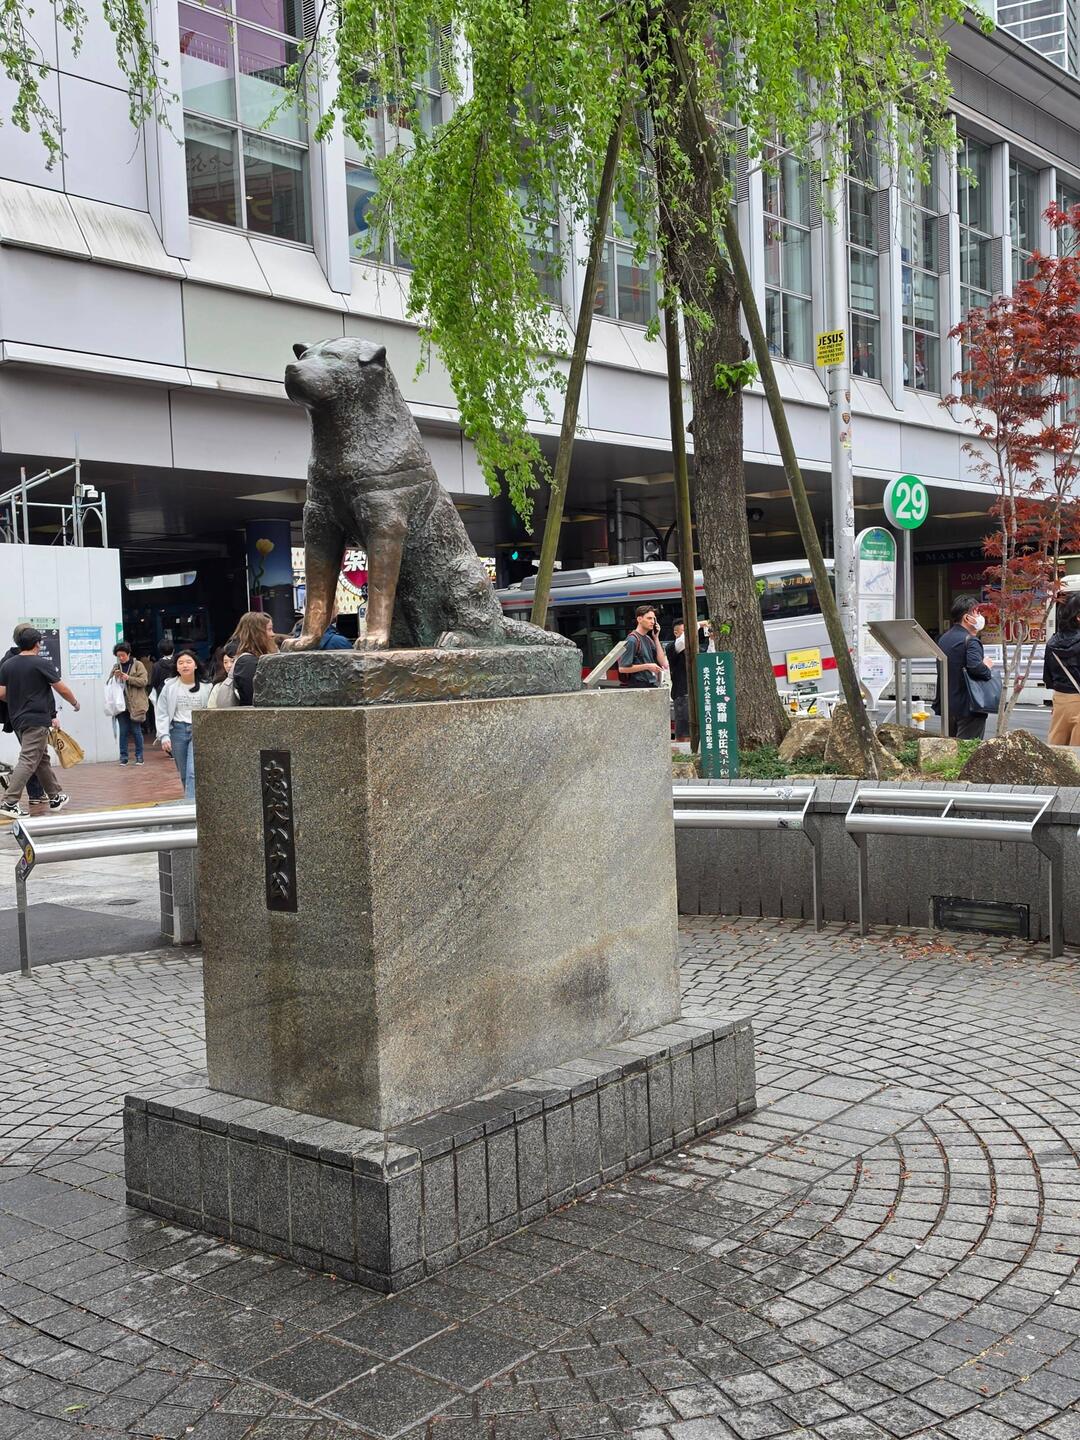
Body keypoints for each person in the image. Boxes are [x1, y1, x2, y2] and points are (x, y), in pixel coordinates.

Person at [0, 627, 80, 817]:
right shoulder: (40, 663)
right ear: (37, 644)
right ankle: (9, 803)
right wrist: (75, 703)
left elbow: (2, 694)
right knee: (28, 760)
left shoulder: (8, 665)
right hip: (36, 719)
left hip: (18, 719)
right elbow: (62, 689)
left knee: (41, 758)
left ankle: (55, 797)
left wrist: (19, 701)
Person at [933, 595, 994, 740]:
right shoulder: (971, 640)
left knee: (951, 749)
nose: (980, 617)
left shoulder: (944, 639)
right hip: (969, 705)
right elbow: (975, 668)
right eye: (977, 613)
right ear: (967, 618)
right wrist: (986, 666)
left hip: (948, 705)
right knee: (967, 750)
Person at [156, 649, 212, 800]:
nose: (185, 665)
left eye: (188, 662)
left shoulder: (207, 687)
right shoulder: (170, 687)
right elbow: (162, 712)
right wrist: (164, 736)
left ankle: (190, 807)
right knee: (183, 773)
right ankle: (192, 801)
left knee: (193, 772)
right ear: (176, 667)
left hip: (198, 730)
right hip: (177, 731)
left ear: (195, 665)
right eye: (180, 663)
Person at [0, 624, 47, 805]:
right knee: (31, 756)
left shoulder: (9, 659)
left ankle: (49, 794)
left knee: (39, 755)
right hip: (26, 716)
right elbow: (2, 692)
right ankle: (15, 799)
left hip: (20, 715)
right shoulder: (13, 660)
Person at [1044, 592, 1080, 745]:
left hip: (1060, 701)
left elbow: (1048, 679)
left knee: (1058, 753)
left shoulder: (1052, 643)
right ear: (1078, 617)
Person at [110, 641, 150, 765]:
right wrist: (114, 677)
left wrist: (128, 678)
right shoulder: (116, 666)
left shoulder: (138, 665)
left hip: (135, 703)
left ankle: (139, 756)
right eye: (118, 656)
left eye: (123, 655)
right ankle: (123, 757)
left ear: (128, 654)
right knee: (123, 731)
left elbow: (144, 681)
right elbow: (109, 683)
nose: (121, 658)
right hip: (121, 704)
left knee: (136, 730)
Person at [228, 611, 279, 706]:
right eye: (269, 629)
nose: (273, 634)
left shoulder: (261, 659)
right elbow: (252, 698)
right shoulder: (248, 663)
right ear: (256, 634)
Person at [618, 605, 668, 688]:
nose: (652, 622)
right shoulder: (632, 640)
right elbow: (622, 668)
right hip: (638, 686)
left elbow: (662, 662)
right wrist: (647, 666)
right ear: (639, 619)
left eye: (654, 619)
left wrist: (656, 638)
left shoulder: (648, 639)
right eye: (649, 618)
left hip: (650, 684)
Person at [665, 619, 692, 740]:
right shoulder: (672, 647)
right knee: (684, 732)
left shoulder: (694, 648)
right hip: (682, 693)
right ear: (676, 633)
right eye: (685, 630)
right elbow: (682, 642)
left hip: (696, 693)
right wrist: (697, 624)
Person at [207, 640, 240, 708]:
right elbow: (211, 709)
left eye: (232, 661)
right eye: (225, 662)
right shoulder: (218, 686)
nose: (229, 665)